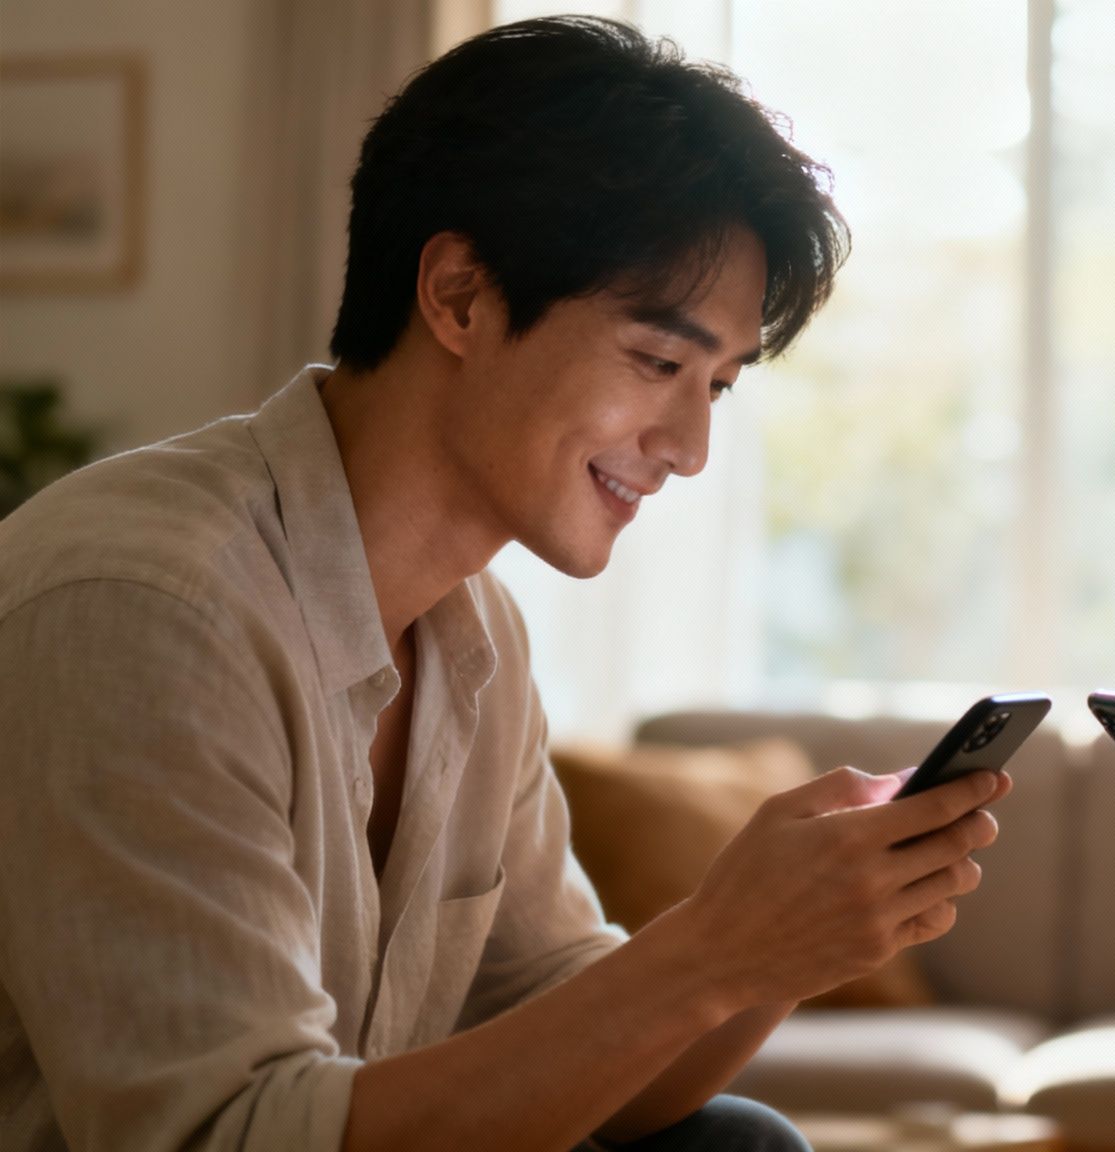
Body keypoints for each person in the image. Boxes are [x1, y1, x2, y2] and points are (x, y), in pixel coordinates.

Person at [0, 17, 1010, 1152]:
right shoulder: (147, 602)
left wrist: (777, 950)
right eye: (658, 362)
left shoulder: (474, 635)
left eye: (716, 387)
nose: (687, 446)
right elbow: (224, 1137)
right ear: (462, 297)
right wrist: (713, 946)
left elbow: (587, 1060)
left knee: (731, 1143)